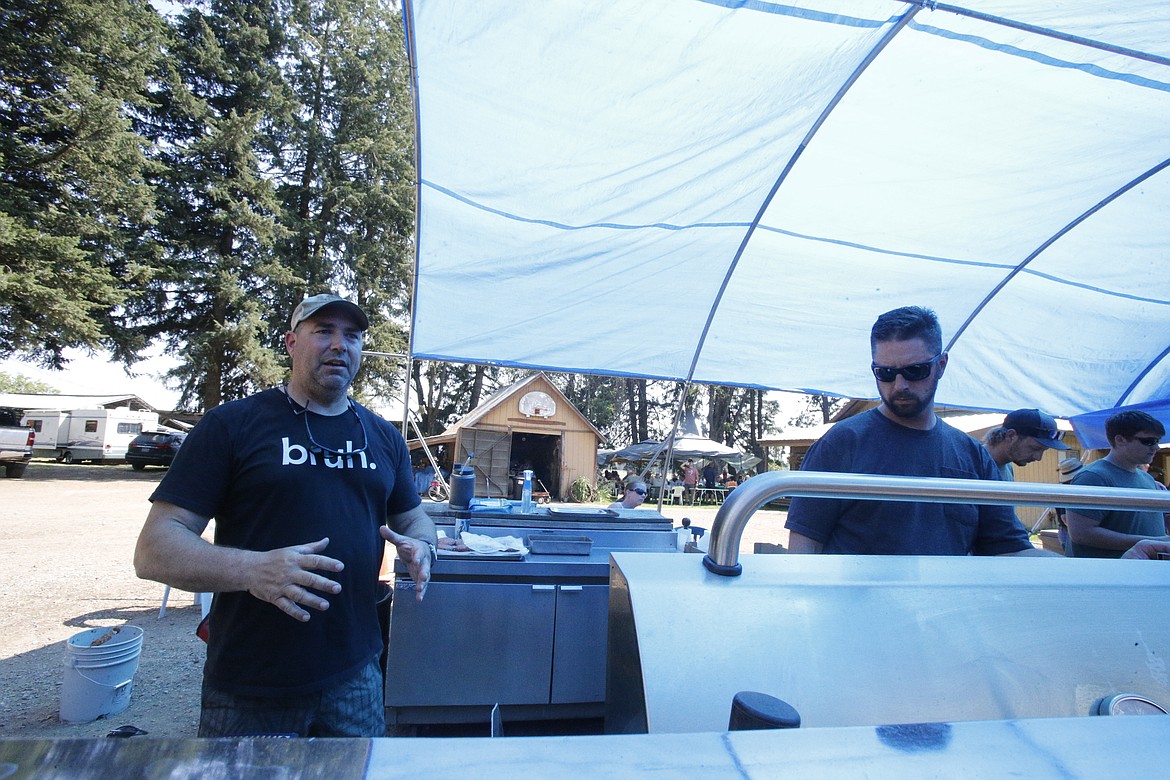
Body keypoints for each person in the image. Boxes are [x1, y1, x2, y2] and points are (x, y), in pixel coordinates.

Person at [134, 293, 438, 738]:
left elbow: (414, 518)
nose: (340, 345)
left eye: (352, 336)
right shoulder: (232, 425)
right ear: (292, 343)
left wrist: (423, 544)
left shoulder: (382, 436)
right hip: (252, 682)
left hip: (357, 674)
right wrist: (254, 569)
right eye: (324, 332)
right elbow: (154, 549)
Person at [785, 305, 1046, 556]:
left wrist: (1078, 572)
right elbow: (804, 547)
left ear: (941, 365)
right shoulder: (841, 444)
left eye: (915, 370)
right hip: (855, 602)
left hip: (946, 602)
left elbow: (1008, 550)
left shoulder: (972, 456)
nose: (900, 385)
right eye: (885, 373)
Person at [1064, 411, 1170, 558]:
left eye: (1157, 441)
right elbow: (1081, 534)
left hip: (1140, 573)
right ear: (1120, 440)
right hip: (1108, 575)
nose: (1156, 447)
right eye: (1148, 441)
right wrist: (1154, 542)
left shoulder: (1147, 479)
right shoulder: (1094, 477)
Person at [982, 408, 1070, 480]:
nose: (1038, 457)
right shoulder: (974, 462)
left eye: (1044, 450)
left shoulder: (1007, 466)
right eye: (1034, 448)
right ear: (1011, 435)